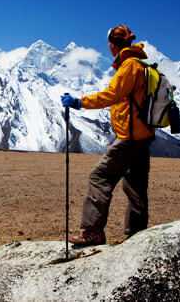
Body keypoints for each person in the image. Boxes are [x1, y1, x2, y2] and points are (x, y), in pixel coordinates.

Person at [60, 24, 155, 246]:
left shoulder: (129, 66)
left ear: (113, 45)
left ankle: (92, 231)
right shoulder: (141, 64)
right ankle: (137, 234)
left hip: (129, 138)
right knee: (136, 186)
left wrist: (79, 102)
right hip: (143, 136)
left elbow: (111, 95)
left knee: (99, 177)